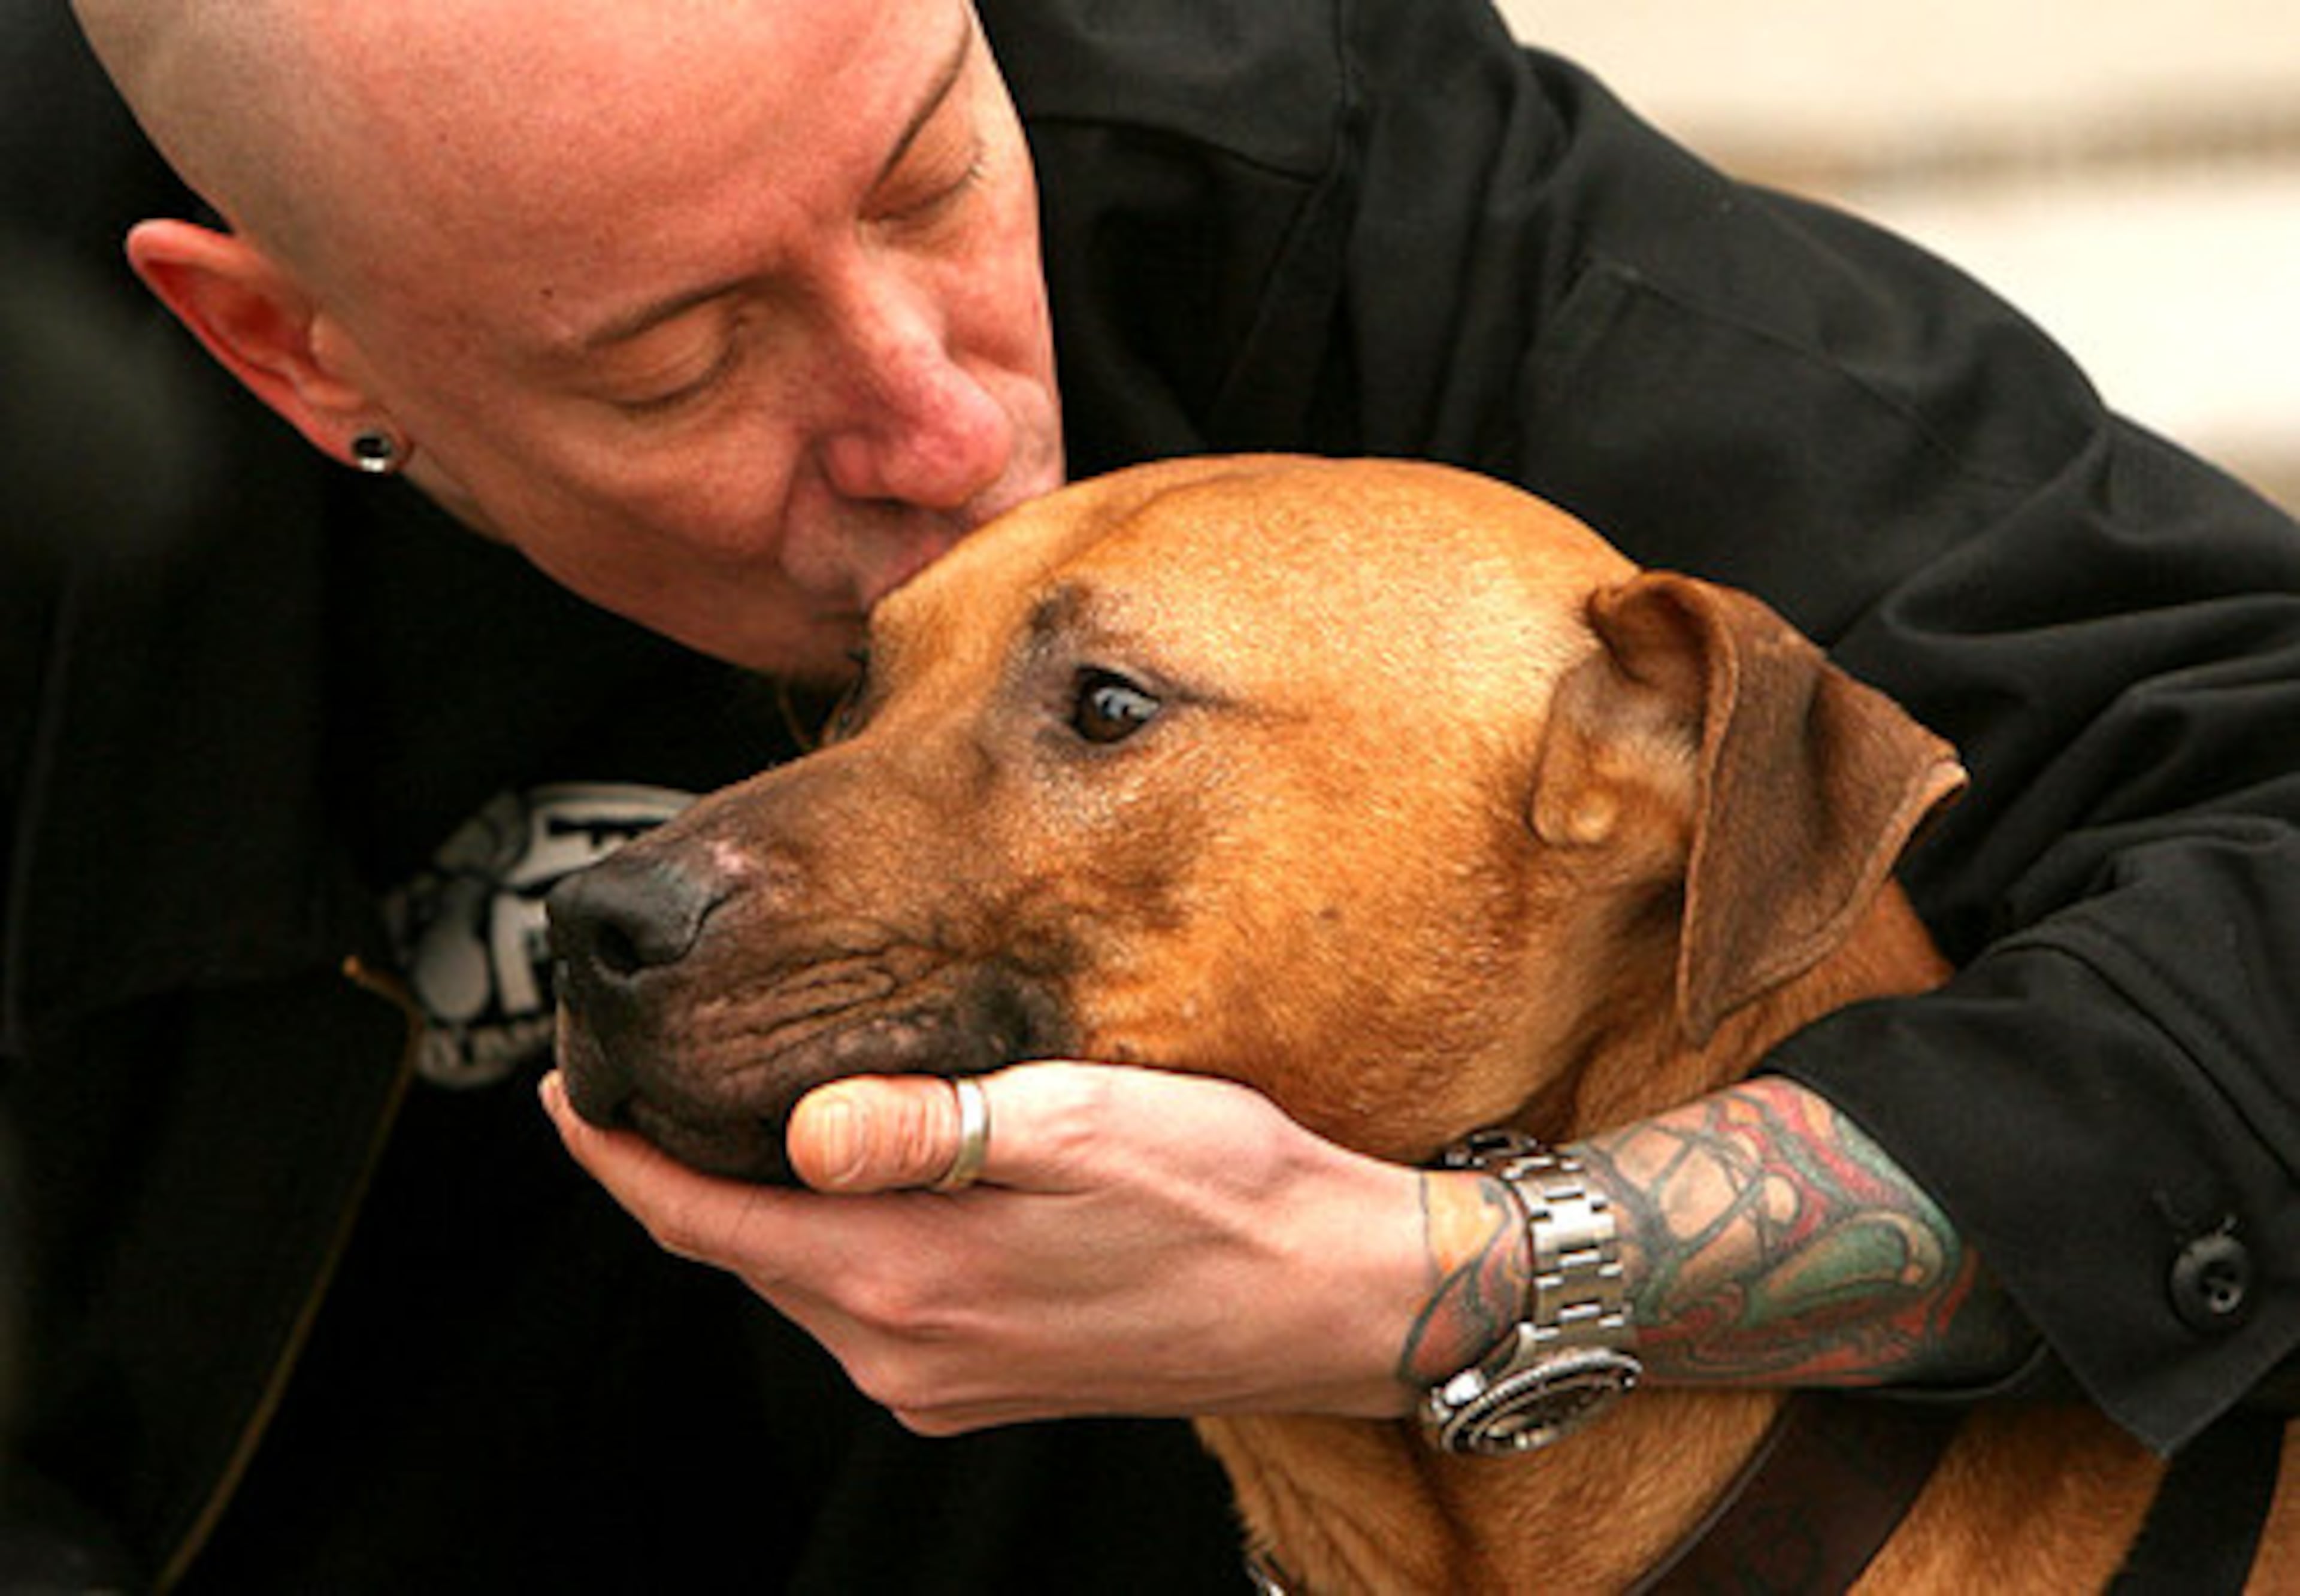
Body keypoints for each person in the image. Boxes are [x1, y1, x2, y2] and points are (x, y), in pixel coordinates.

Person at [5, 0, 2295, 1588]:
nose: (947, 429)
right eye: (684, 353)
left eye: (925, 181)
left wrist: (1452, 1278)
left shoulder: (1304, 162)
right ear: (290, 348)